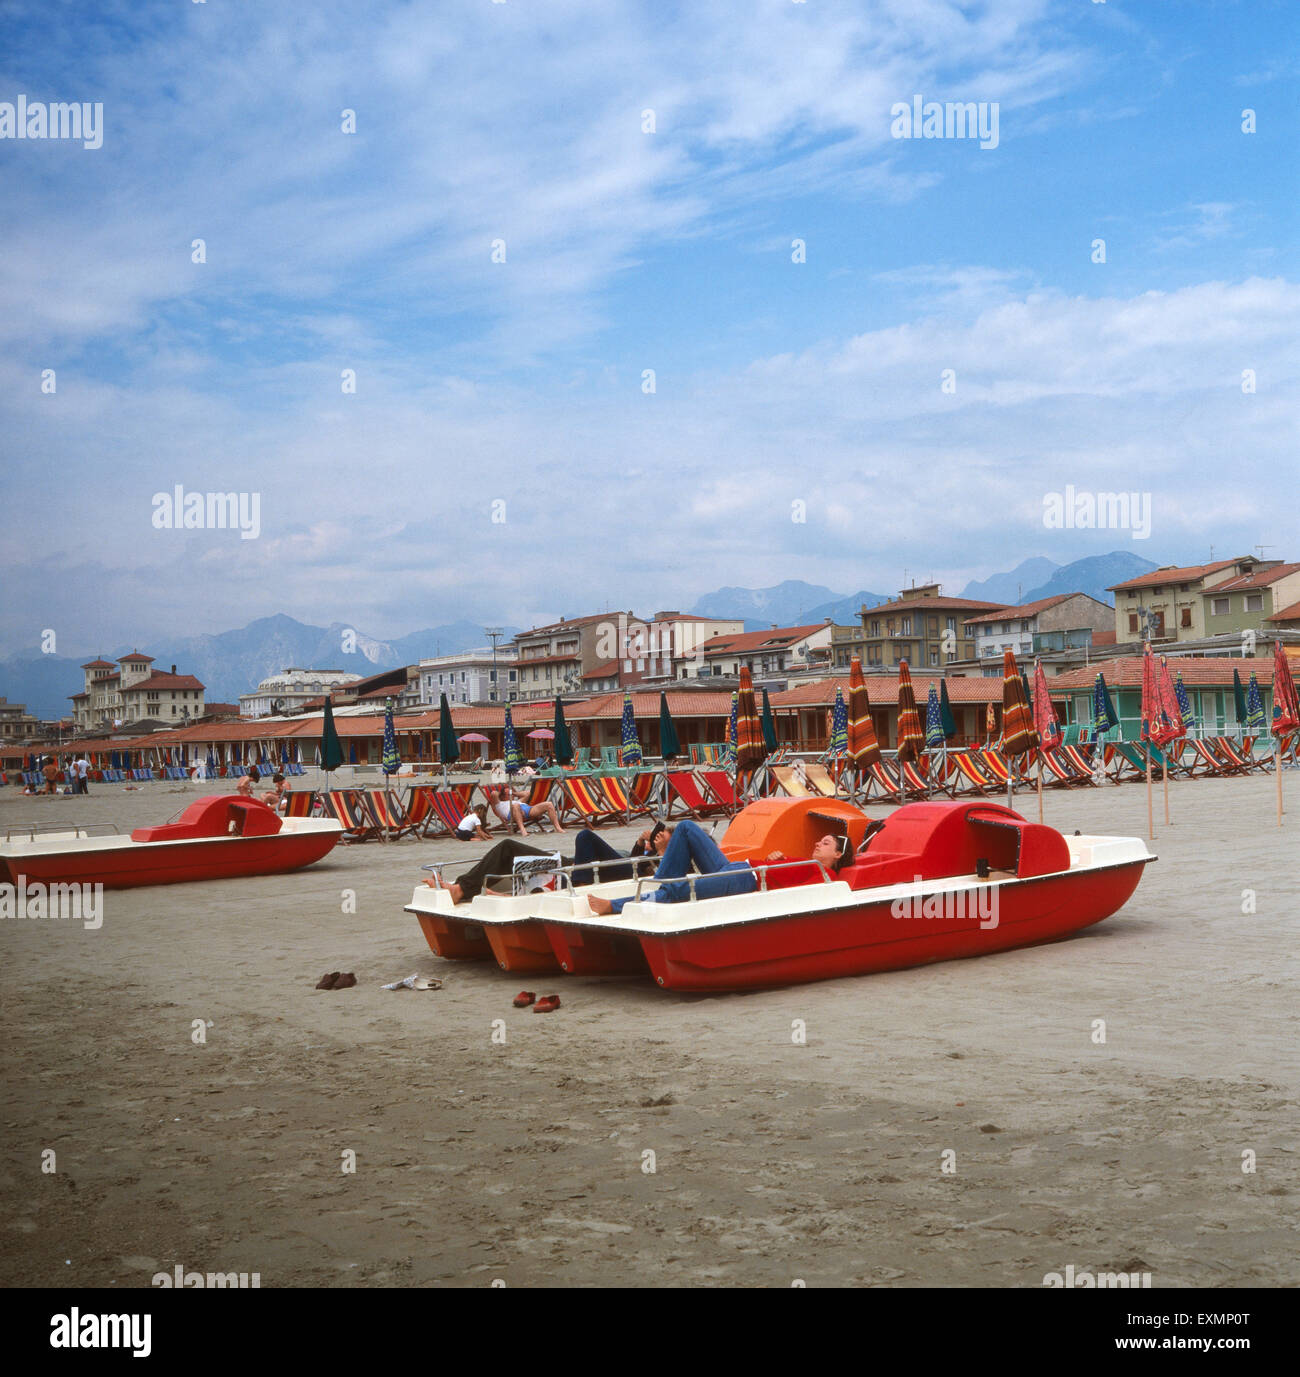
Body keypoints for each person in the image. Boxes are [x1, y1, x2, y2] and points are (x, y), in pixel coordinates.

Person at [587, 822, 853, 916]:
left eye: (825, 843)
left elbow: (797, 896)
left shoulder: (826, 875)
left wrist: (774, 872)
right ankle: (661, 885)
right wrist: (777, 858)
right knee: (687, 828)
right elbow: (784, 874)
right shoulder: (808, 864)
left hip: (743, 881)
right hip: (737, 867)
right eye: (819, 840)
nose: (818, 843)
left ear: (838, 854)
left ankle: (619, 905)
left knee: (680, 889)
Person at [426, 825, 673, 905]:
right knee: (508, 847)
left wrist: (658, 852)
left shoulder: (667, 863)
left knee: (585, 835)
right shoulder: (646, 855)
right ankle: (461, 887)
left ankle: (565, 885)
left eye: (666, 835)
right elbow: (628, 860)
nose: (660, 834)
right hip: (578, 865)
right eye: (660, 833)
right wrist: (642, 843)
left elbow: (646, 875)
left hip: (588, 873)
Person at [487, 784, 564, 837]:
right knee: (516, 806)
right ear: (502, 796)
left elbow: (528, 793)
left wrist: (514, 793)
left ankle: (558, 828)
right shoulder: (499, 804)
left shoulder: (518, 801)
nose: (511, 796)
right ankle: (523, 830)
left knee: (549, 804)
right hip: (512, 813)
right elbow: (493, 793)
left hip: (528, 810)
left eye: (511, 794)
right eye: (508, 794)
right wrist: (503, 794)